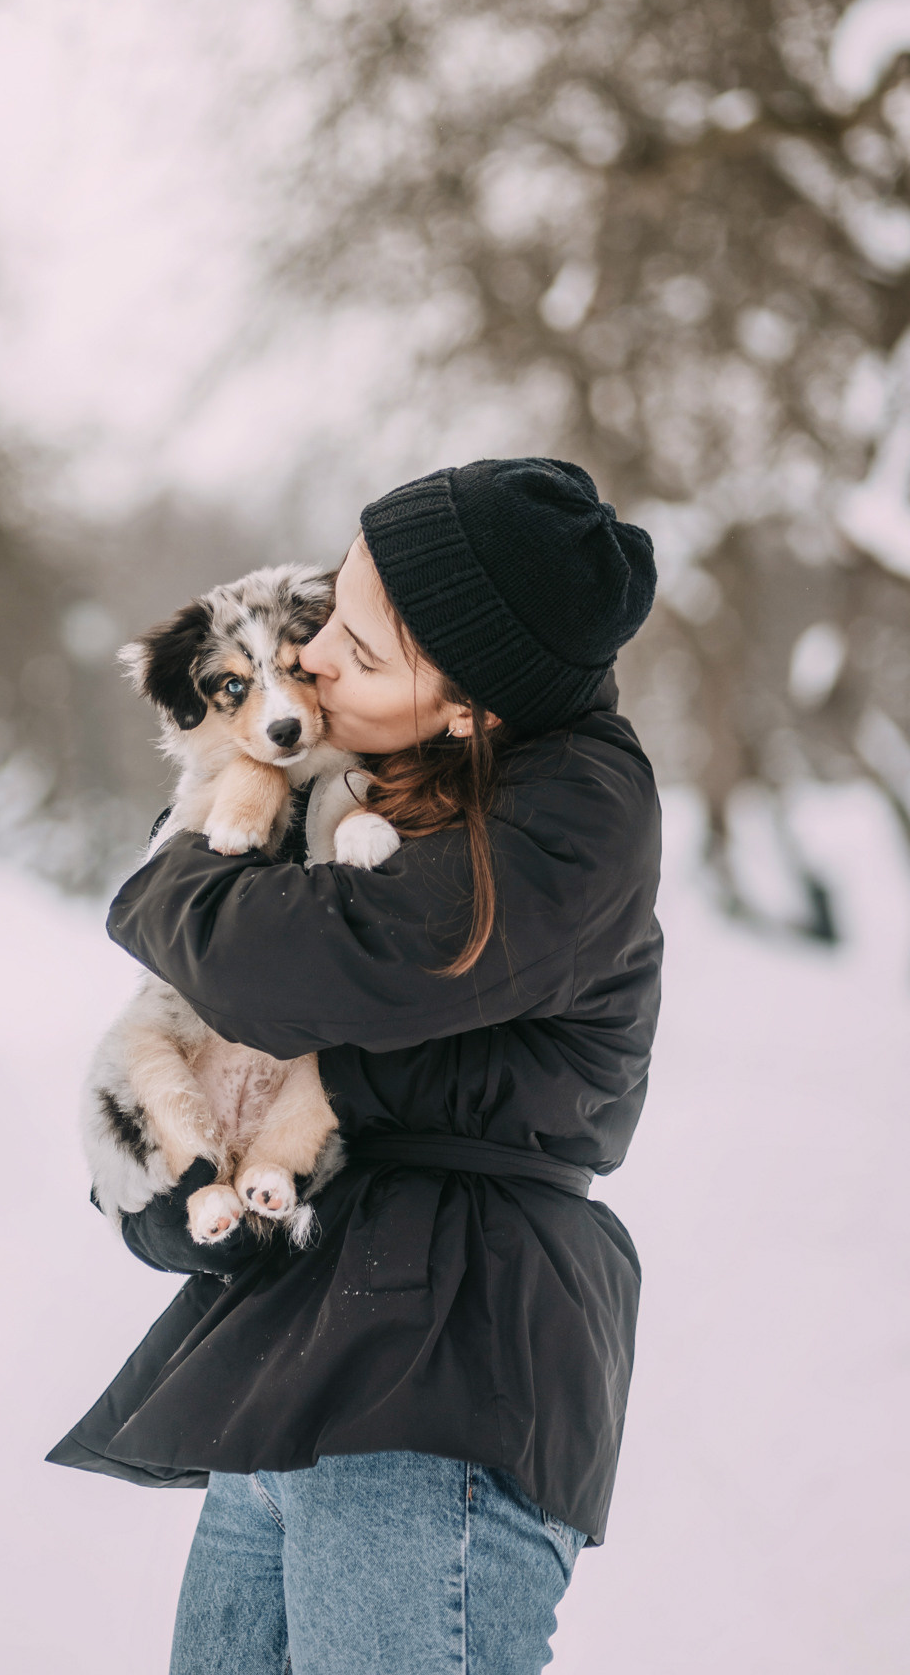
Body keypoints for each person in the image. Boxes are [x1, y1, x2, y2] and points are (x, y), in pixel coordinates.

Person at [49, 457, 662, 1675]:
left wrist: (171, 872)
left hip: (440, 1383)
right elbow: (218, 995)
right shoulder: (384, 771)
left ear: (469, 707)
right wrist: (177, 1199)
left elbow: (274, 970)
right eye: (335, 613)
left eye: (359, 649)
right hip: (304, 1364)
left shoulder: (574, 813)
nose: (313, 657)